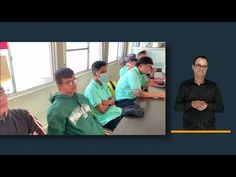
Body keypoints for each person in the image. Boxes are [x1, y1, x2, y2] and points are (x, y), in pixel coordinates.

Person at [46, 67, 105, 135]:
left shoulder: (81, 97)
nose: (73, 84)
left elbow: (93, 116)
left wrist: (99, 129)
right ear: (59, 85)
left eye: (74, 80)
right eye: (68, 82)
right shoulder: (56, 110)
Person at [175, 56, 224, 129]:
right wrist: (191, 104)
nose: (201, 68)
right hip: (189, 129)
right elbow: (177, 106)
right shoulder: (184, 85)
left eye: (204, 66)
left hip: (209, 130)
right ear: (193, 67)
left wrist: (207, 105)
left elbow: (221, 107)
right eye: (198, 65)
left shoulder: (214, 86)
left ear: (207, 69)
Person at [84, 61, 123, 130]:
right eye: (102, 72)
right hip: (107, 119)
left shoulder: (103, 83)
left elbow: (113, 100)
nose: (105, 74)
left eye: (106, 72)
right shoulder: (91, 90)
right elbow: (102, 110)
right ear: (95, 73)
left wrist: (105, 102)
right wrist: (109, 102)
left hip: (116, 111)